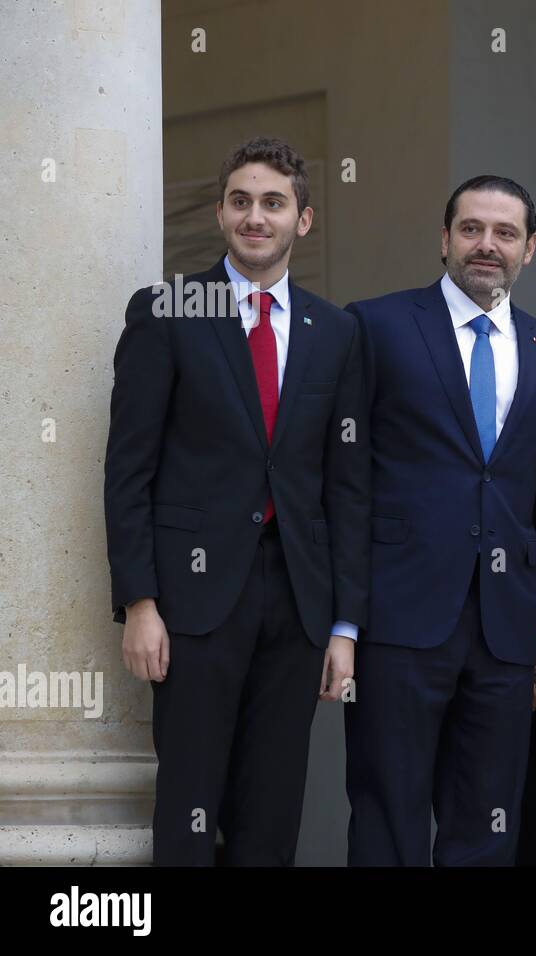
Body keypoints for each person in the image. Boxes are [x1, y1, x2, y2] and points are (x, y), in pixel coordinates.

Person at [104, 136, 368, 865]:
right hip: (190, 601)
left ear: (302, 221)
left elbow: (345, 486)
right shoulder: (167, 311)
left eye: (274, 204)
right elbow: (128, 469)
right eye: (242, 201)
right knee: (189, 804)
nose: (257, 217)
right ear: (221, 213)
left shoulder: (336, 332)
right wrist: (140, 603)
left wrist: (343, 625)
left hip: (298, 602)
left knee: (272, 810)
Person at [344, 175, 536, 866]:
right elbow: (345, 478)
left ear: (529, 248)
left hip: (506, 625)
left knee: (487, 820)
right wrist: (344, 618)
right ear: (444, 238)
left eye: (505, 233)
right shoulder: (377, 325)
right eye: (471, 228)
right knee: (388, 809)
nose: (487, 245)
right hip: (398, 614)